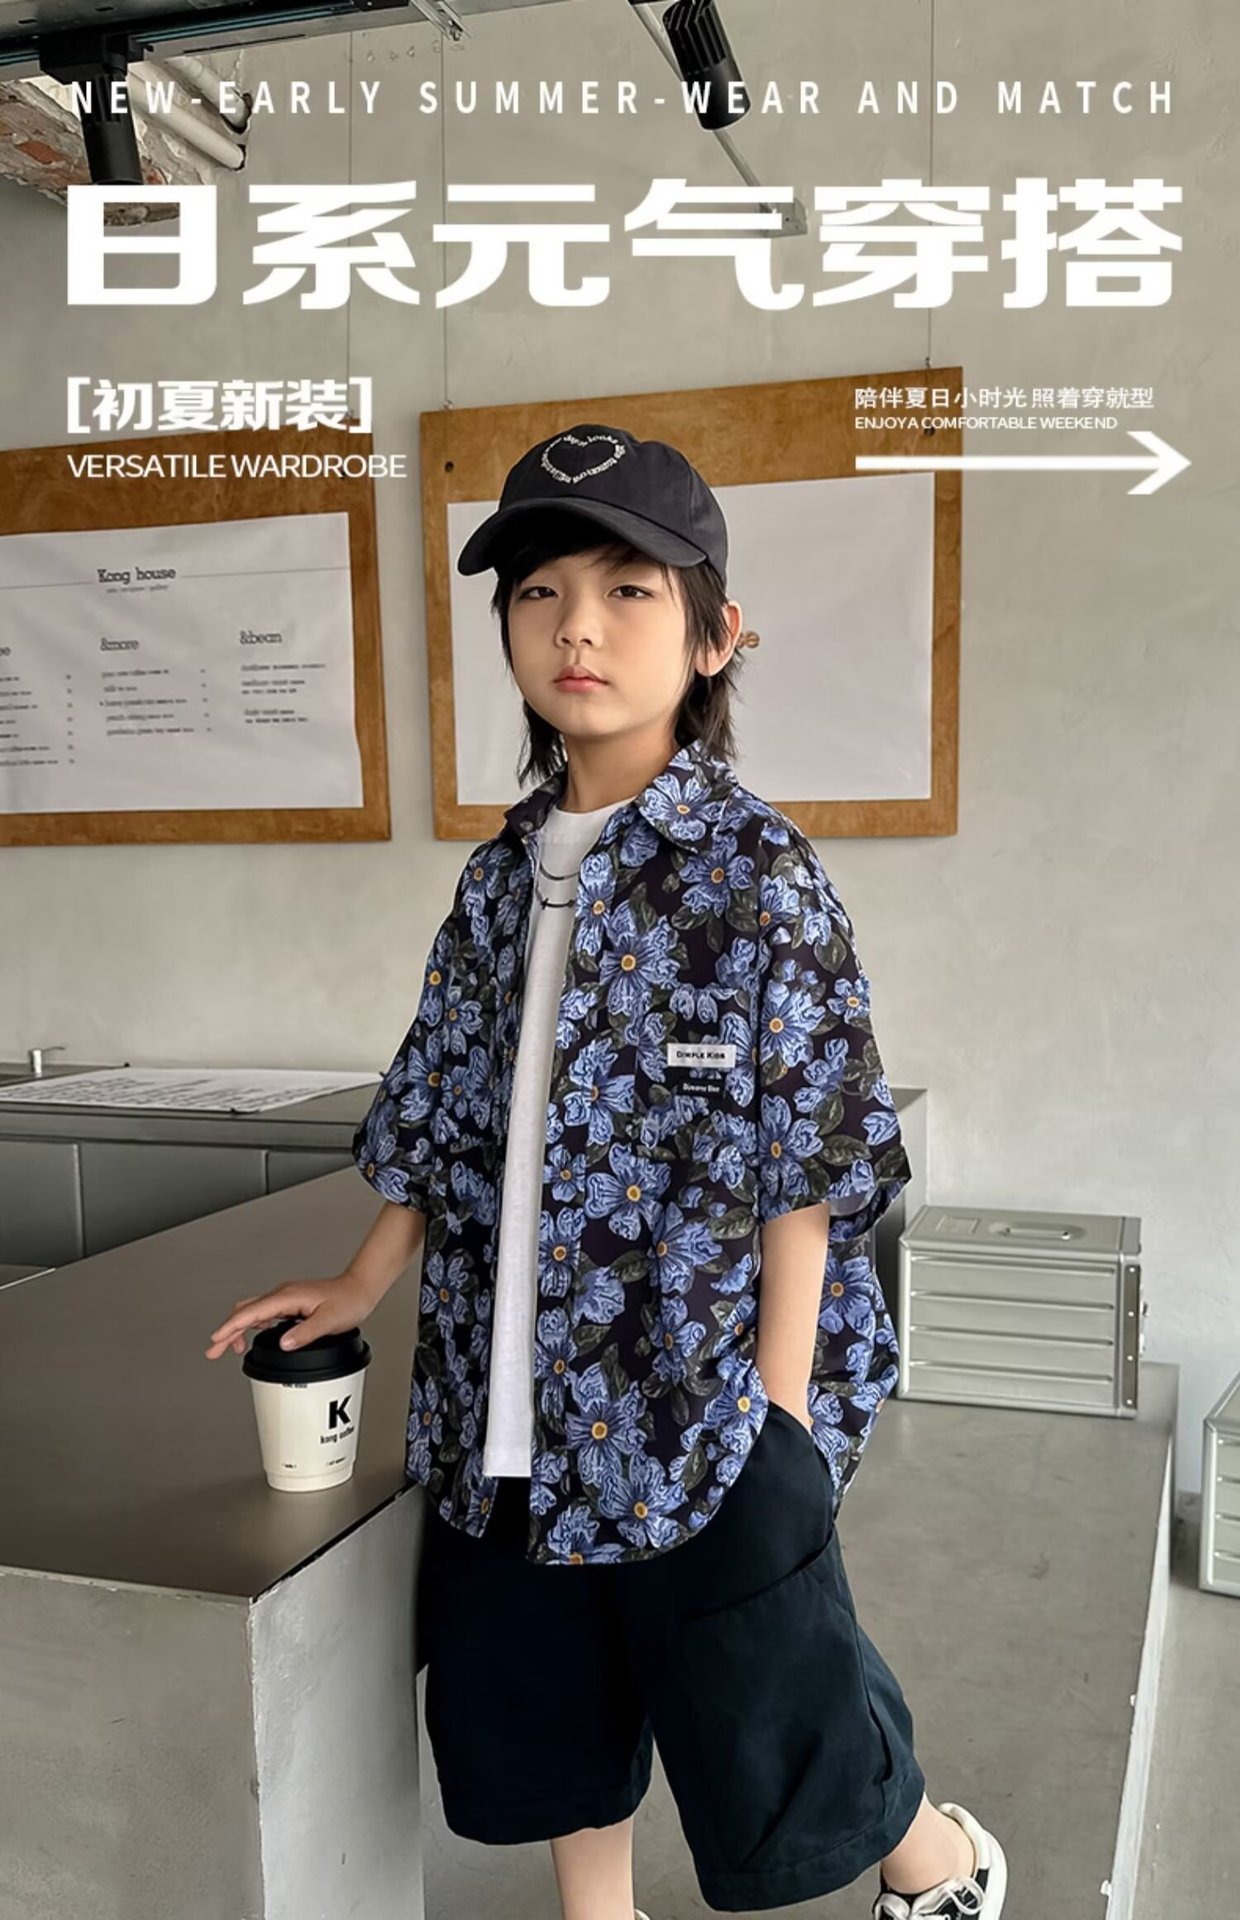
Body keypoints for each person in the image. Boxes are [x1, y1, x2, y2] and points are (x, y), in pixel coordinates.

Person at [205, 424, 1008, 1920]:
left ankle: (942, 1864)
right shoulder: (498, 880)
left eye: (629, 589)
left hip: (702, 1399)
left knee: (771, 1687)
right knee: (553, 1679)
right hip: (506, 1386)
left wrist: (778, 1412)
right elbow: (442, 1105)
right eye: (540, 592)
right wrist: (363, 1279)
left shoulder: (759, 877)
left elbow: (811, 1163)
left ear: (714, 634)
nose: (577, 625)